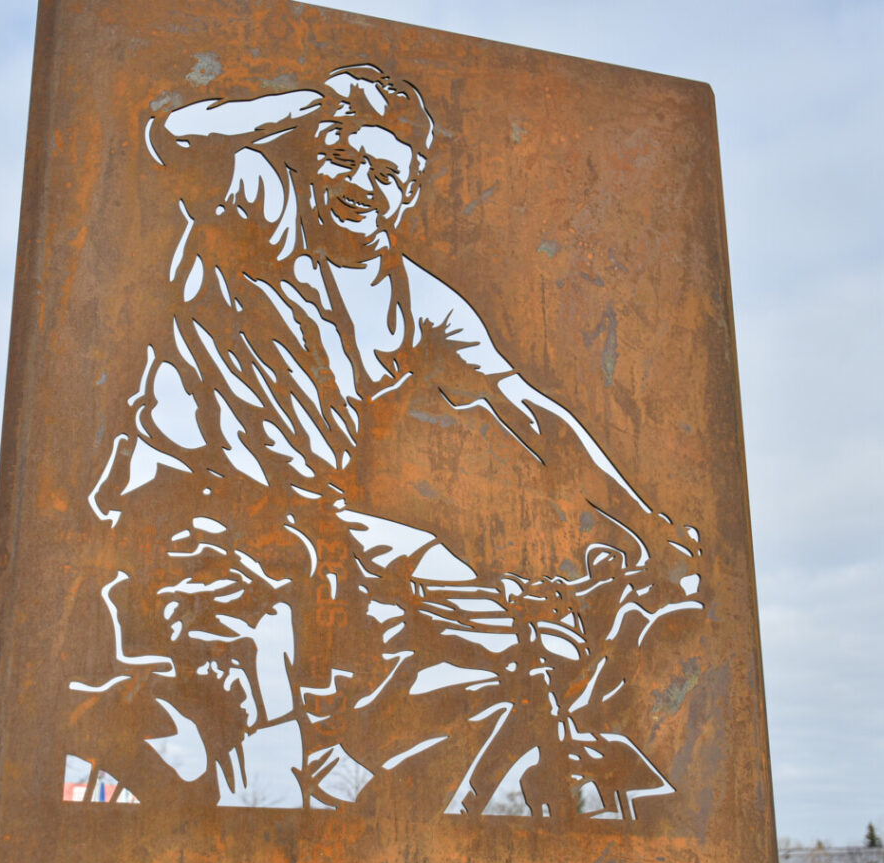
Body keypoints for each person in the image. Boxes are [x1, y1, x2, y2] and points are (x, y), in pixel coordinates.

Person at [68, 65, 703, 817]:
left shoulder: (416, 299)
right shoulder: (267, 212)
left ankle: (353, 770)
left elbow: (530, 413)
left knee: (489, 624)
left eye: (383, 173)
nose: (360, 183)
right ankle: (301, 766)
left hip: (312, 518)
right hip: (193, 501)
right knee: (265, 690)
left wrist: (647, 525)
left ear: (407, 192)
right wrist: (308, 102)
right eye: (343, 160)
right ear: (313, 161)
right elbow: (176, 138)